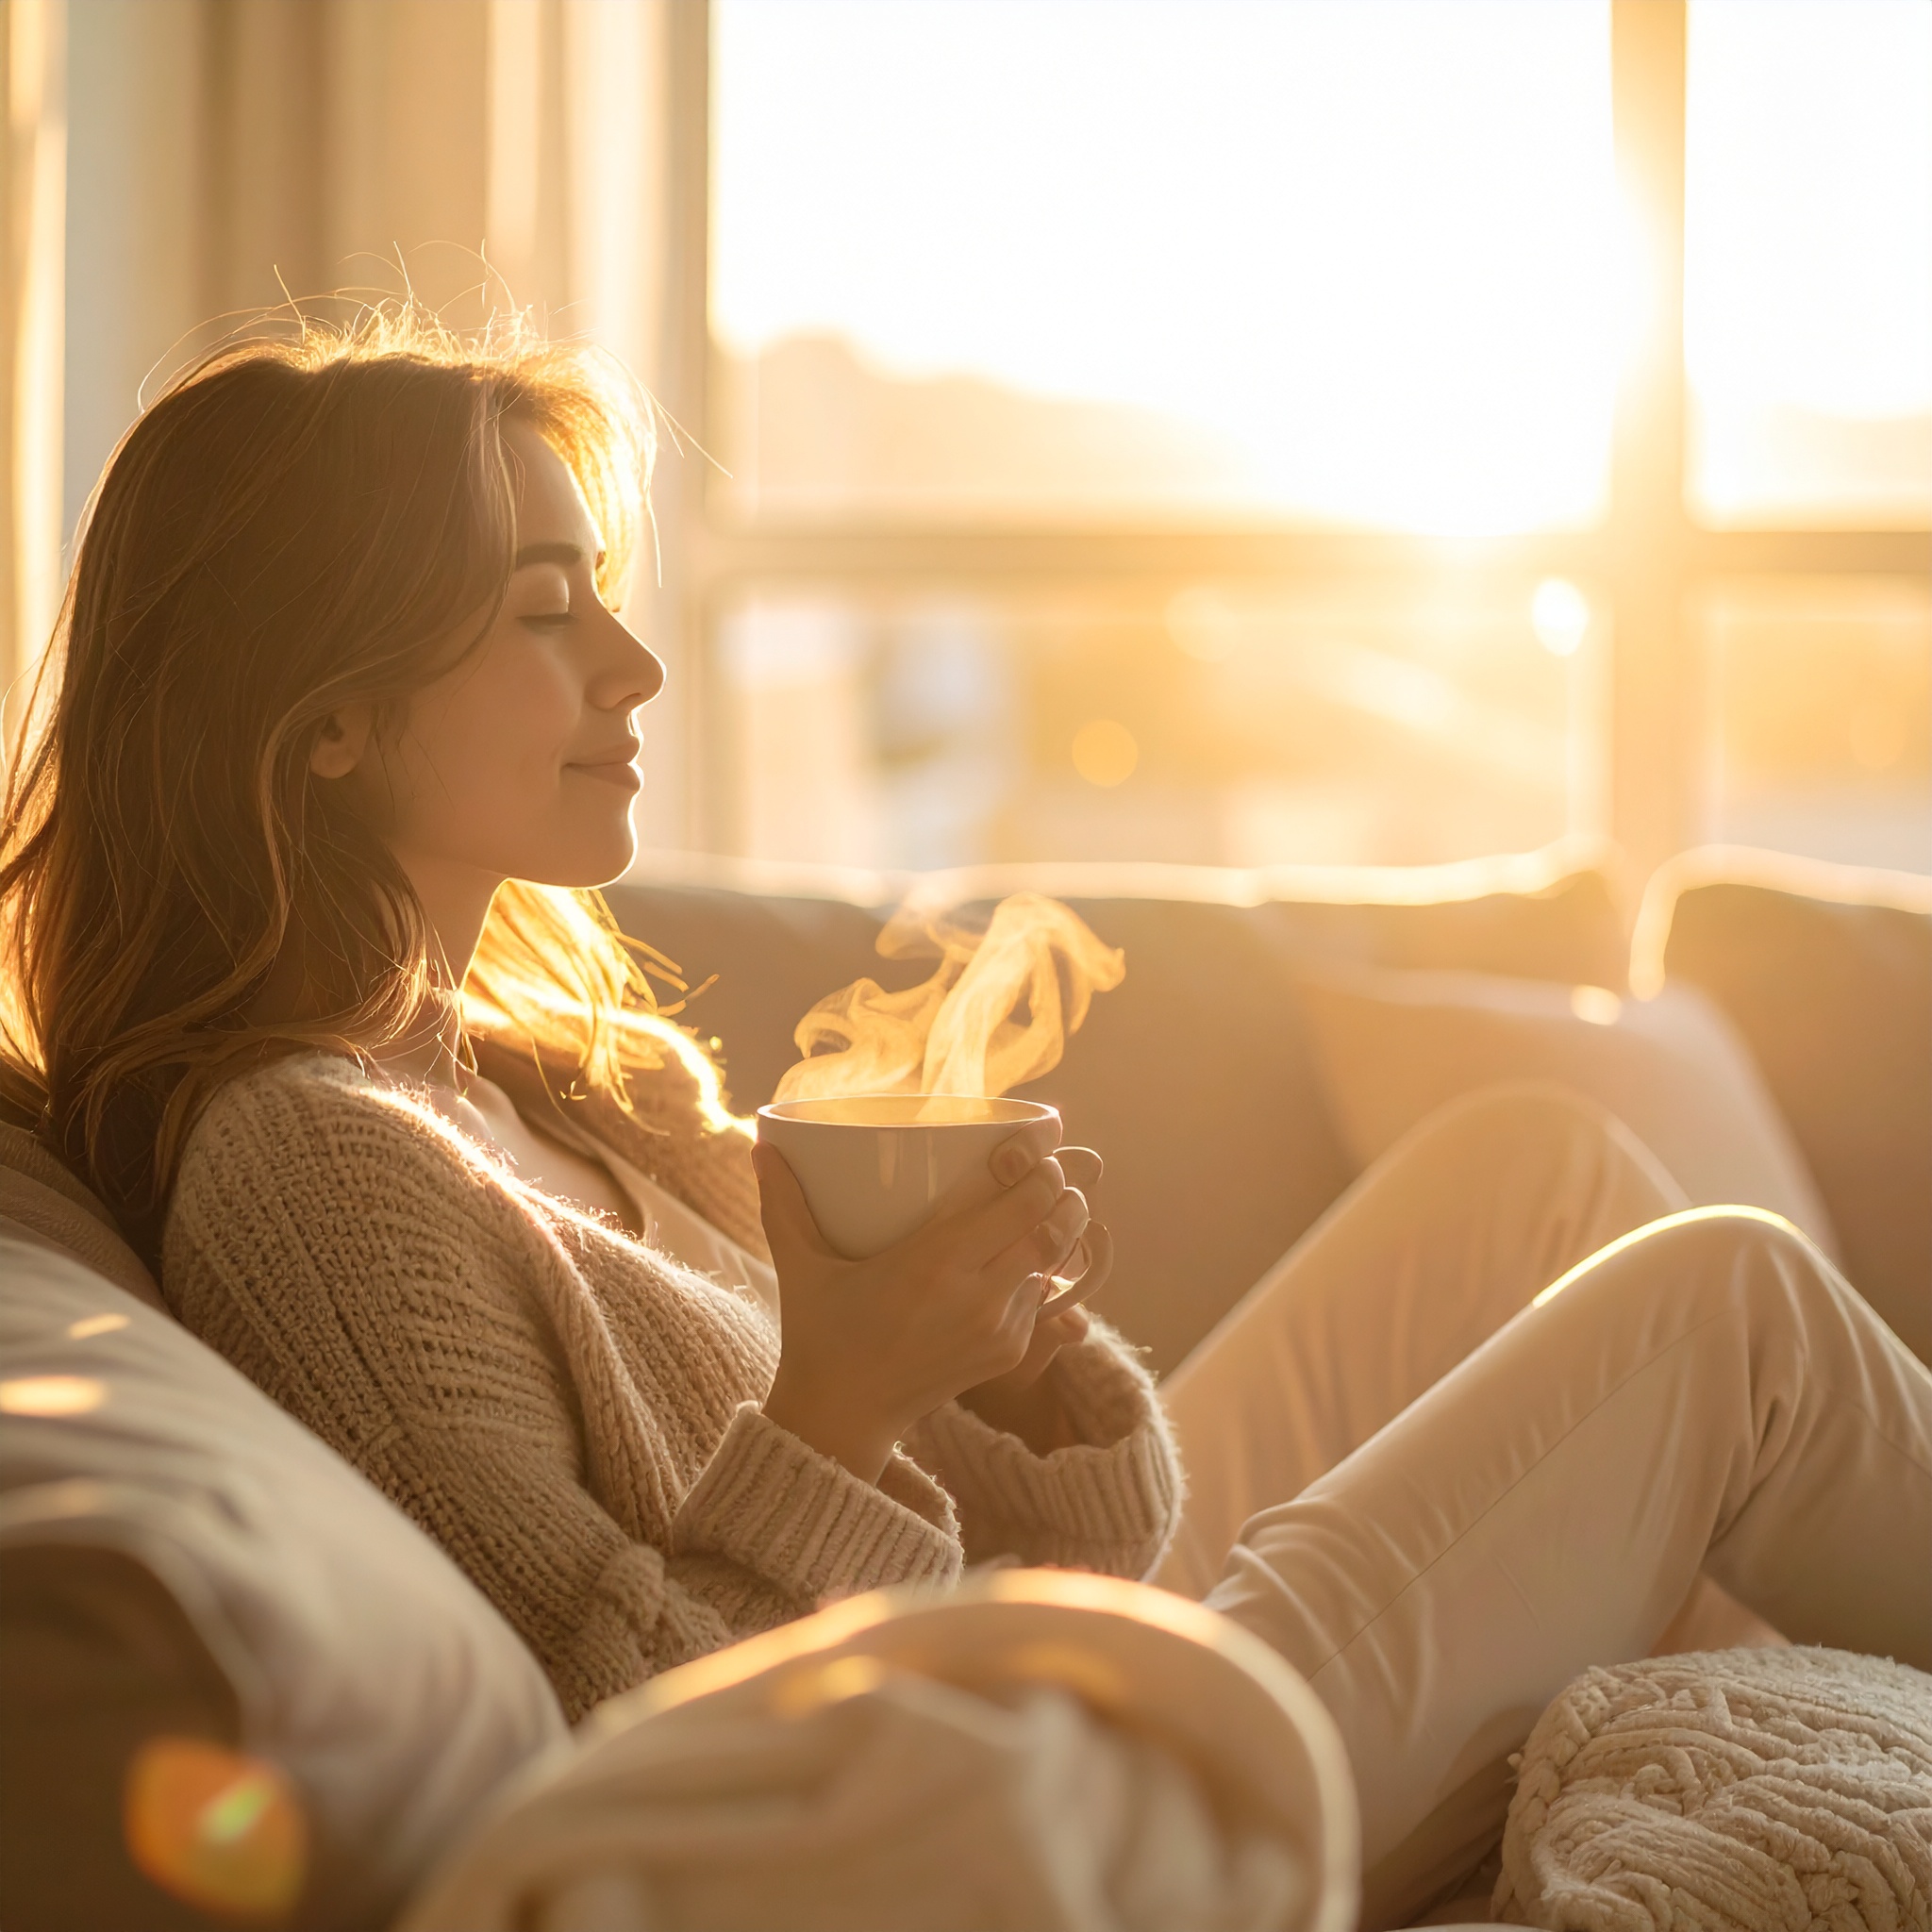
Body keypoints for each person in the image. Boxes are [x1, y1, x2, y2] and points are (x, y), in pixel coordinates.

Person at [5, 315, 1926, 1927]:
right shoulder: (315, 1167)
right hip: (998, 1787)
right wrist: (839, 1398)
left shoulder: (553, 1072)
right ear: (321, 713)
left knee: (1546, 1171)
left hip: (1030, 1665)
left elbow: (1086, 1543)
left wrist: (1001, 1355)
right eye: (539, 611)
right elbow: (649, 1754)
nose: (634, 666)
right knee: (1719, 1308)